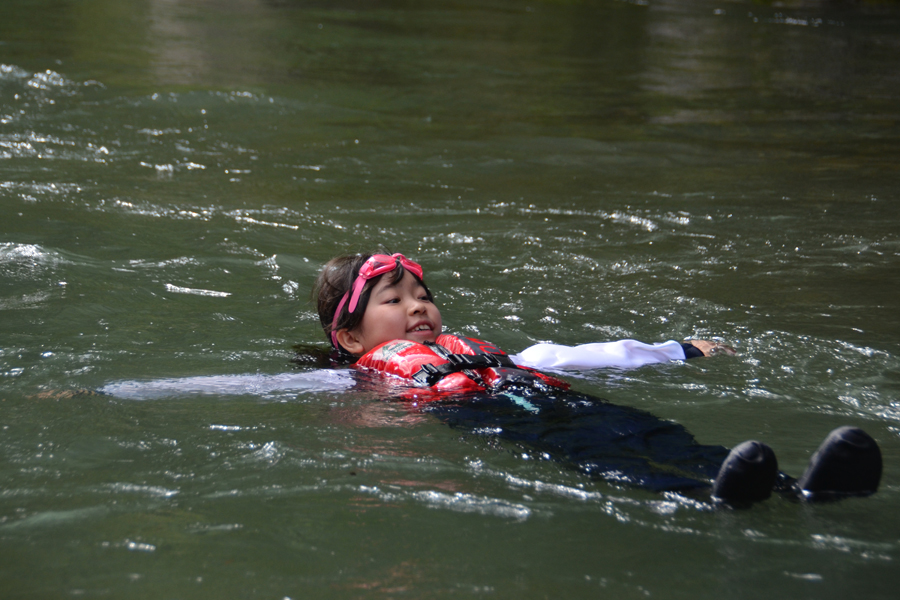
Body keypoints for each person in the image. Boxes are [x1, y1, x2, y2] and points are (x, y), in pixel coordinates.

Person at [314, 252, 883, 505]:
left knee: (655, 435)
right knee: (607, 459)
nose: (418, 307)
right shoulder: (362, 382)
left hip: (559, 400)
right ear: (351, 339)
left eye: (423, 295)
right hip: (498, 422)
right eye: (394, 299)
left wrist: (678, 349)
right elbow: (256, 387)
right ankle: (704, 497)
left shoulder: (500, 352)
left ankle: (795, 487)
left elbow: (589, 354)